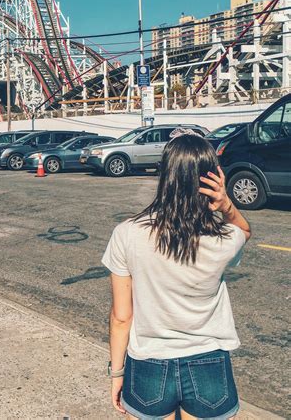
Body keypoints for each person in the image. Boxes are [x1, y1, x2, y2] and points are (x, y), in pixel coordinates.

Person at [103, 129, 251, 420]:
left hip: (149, 364)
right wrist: (226, 205)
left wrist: (117, 373)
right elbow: (244, 231)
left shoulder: (127, 234)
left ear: (165, 175)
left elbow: (122, 317)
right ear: (212, 178)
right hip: (209, 361)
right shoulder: (223, 238)